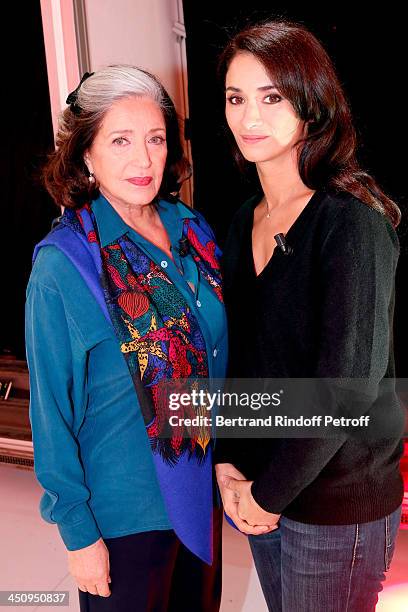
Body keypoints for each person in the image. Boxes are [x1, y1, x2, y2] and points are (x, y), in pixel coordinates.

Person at [213, 20, 405, 612]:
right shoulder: (243, 218)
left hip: (333, 500)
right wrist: (225, 457)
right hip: (262, 488)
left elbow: (347, 389)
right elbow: (241, 356)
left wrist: (267, 496)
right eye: (235, 98)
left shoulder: (351, 222)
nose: (249, 117)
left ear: (312, 104)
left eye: (272, 98)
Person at [25, 65, 229, 612]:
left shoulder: (193, 231)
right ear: (86, 155)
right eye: (120, 140)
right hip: (122, 518)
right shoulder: (66, 263)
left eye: (155, 139)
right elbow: (50, 410)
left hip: (199, 500)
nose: (143, 159)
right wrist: (78, 531)